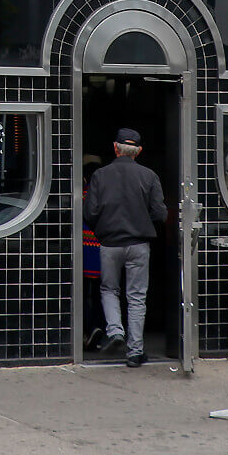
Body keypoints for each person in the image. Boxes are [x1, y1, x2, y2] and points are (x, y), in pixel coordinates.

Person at [84, 128, 167, 368]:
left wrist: (103, 229)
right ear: (139, 151)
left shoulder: (100, 175)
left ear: (115, 148)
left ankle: (115, 331)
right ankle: (134, 352)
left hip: (109, 243)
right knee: (137, 297)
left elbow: (90, 212)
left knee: (109, 290)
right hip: (139, 244)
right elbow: (160, 213)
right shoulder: (149, 176)